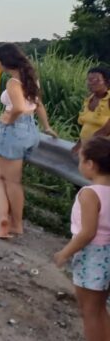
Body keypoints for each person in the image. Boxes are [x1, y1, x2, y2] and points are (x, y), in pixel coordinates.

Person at [0, 44, 57, 238]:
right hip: (31, 130)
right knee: (1, 176)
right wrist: (46, 127)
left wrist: (8, 119)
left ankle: (14, 224)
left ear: (4, 61)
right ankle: (4, 217)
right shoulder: (30, 79)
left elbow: (19, 107)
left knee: (12, 181)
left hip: (14, 131)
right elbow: (38, 105)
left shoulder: (13, 82)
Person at [54, 136, 110, 341]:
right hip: (107, 256)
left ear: (90, 164)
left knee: (89, 312)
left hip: (91, 256)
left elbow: (88, 232)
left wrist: (65, 253)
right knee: (99, 308)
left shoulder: (89, 194)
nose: (79, 166)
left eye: (80, 160)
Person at [73, 67, 110, 155]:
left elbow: (106, 130)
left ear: (107, 81)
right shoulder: (89, 99)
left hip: (103, 149)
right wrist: (79, 143)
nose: (91, 83)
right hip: (88, 148)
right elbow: (87, 126)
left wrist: (85, 145)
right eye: (89, 80)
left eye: (96, 80)